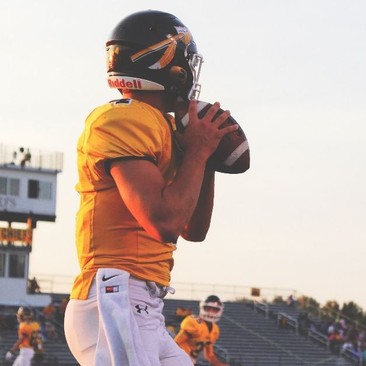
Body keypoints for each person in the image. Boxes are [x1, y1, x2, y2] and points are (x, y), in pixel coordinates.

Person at [64, 10, 239, 366]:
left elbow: (193, 229)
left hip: (142, 302)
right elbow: (163, 221)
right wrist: (200, 150)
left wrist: (203, 158)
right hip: (115, 294)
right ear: (170, 64)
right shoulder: (124, 118)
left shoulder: (161, 127)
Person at [174, 295, 228, 366]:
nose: (211, 312)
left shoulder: (215, 329)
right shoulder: (193, 322)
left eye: (215, 309)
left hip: (190, 361)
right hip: (178, 359)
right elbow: (175, 343)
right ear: (202, 308)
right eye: (208, 308)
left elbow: (209, 355)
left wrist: (220, 364)